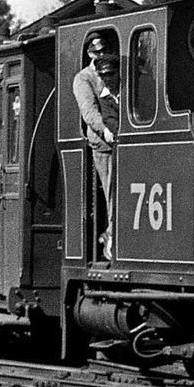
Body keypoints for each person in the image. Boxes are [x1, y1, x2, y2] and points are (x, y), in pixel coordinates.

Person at [72, 33, 121, 259]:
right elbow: (89, 112)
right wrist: (106, 131)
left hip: (123, 137)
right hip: (104, 144)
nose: (101, 55)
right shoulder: (84, 78)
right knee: (112, 191)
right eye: (96, 52)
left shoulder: (117, 67)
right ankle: (111, 237)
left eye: (104, 50)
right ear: (89, 53)